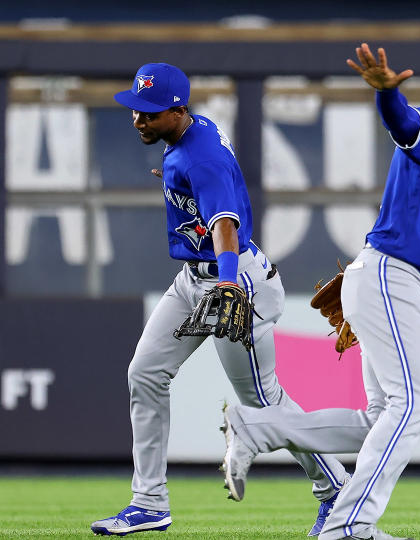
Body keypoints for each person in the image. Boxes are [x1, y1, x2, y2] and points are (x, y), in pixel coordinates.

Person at [218, 43, 420, 540]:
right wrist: (388, 94)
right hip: (391, 276)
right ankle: (349, 525)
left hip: (399, 285)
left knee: (380, 416)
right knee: (413, 403)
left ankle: (257, 428)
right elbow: (404, 126)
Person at [91, 63, 348, 536]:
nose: (139, 120)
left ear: (177, 109)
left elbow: (224, 226)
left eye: (149, 113)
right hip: (193, 279)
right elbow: (205, 184)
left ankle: (338, 494)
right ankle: (149, 502)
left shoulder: (198, 156)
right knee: (145, 373)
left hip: (233, 279)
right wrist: (175, 183)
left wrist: (228, 282)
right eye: (136, 111)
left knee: (264, 403)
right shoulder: (190, 135)